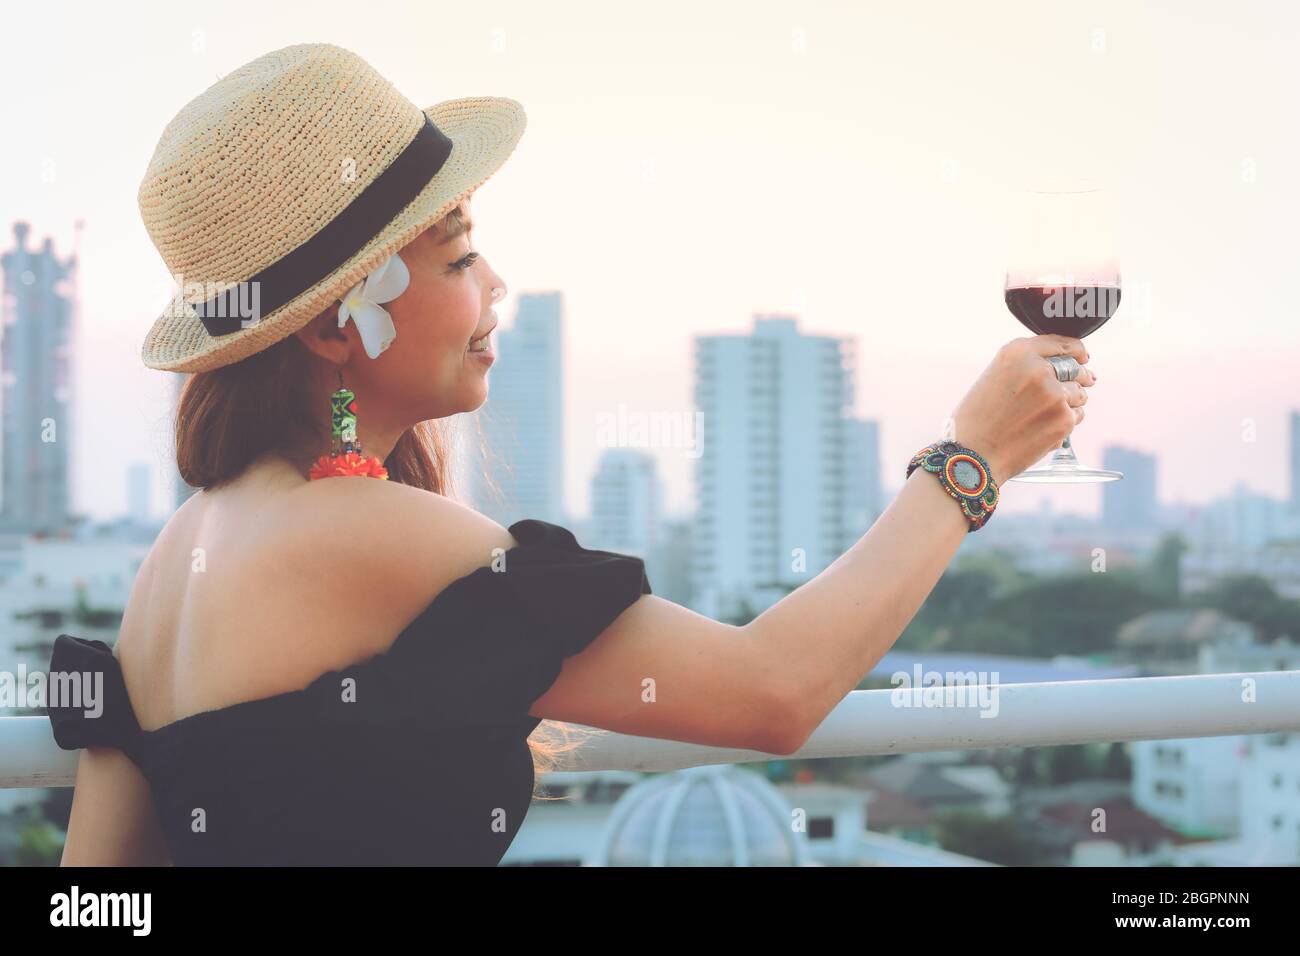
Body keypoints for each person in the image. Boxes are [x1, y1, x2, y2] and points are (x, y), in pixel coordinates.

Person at [46, 43, 1095, 866]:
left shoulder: (179, 554)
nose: (494, 283)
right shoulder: (360, 529)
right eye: (456, 254)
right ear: (334, 327)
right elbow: (773, 691)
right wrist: (970, 463)